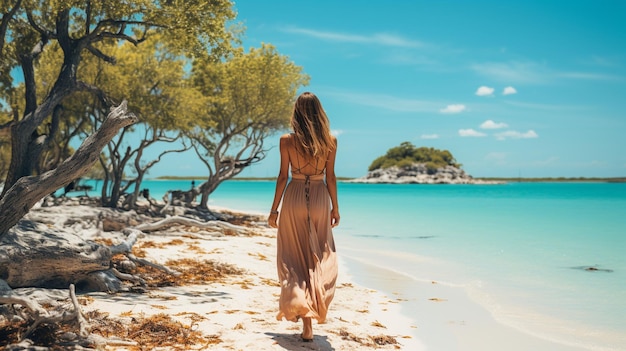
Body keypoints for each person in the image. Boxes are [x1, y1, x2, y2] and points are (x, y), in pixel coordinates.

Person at [268, 92, 340, 342]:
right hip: (320, 197)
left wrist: (274, 209)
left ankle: (301, 307)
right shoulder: (330, 141)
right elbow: (330, 177)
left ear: (296, 112)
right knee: (321, 254)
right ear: (319, 112)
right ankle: (313, 312)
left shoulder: (286, 141)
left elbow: (281, 177)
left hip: (294, 196)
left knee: (293, 256)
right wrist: (335, 208)